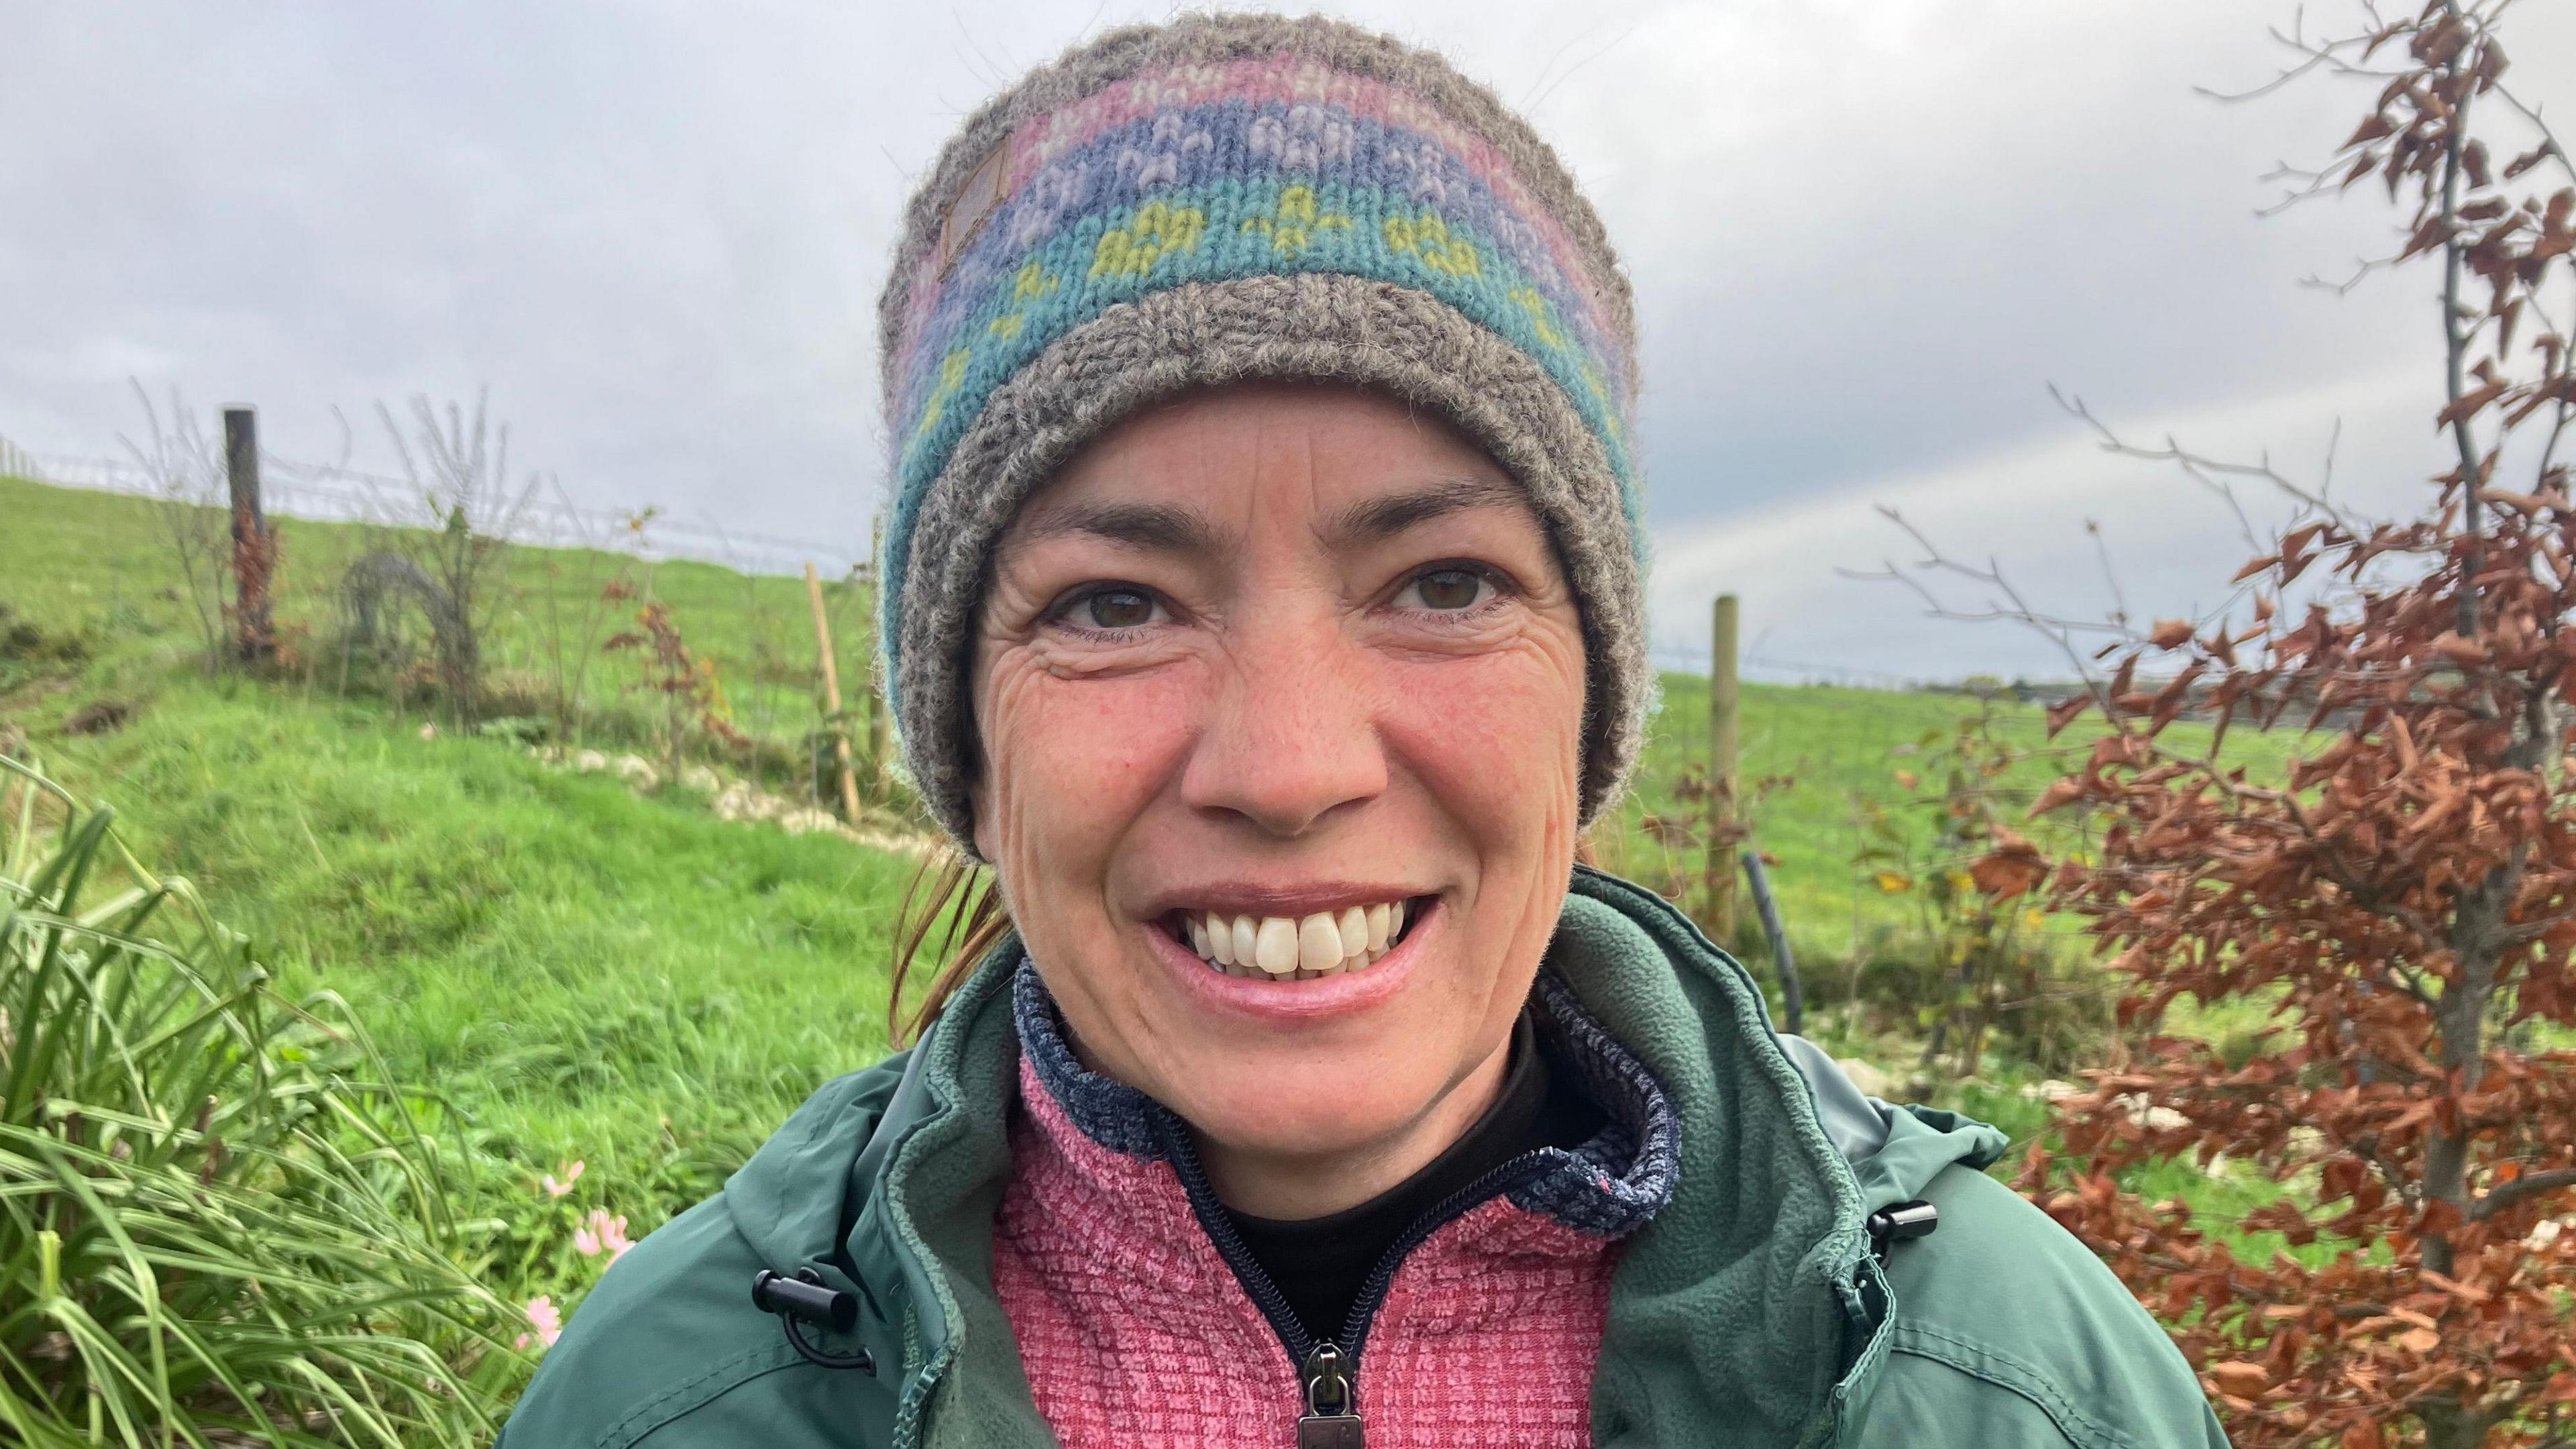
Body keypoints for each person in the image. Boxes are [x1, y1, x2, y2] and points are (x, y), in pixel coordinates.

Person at [498, 15, 2229, 1448]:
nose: (1288, 766)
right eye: (1114, 605)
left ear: (1590, 697)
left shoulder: (2013, 1393)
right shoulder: (671, 1405)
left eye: (1443, 582)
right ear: (965, 732)